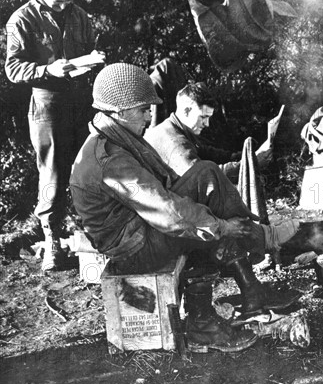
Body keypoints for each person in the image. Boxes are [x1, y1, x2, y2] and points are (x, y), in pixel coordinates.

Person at [69, 63, 300, 352]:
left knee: (207, 175)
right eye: (142, 109)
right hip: (134, 249)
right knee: (201, 221)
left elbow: (167, 192)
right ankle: (207, 318)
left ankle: (253, 283)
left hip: (139, 231)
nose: (149, 115)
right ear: (119, 111)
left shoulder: (116, 137)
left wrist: (212, 217)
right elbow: (167, 212)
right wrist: (221, 225)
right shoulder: (111, 160)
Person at [5, 0, 105, 271]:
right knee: (52, 173)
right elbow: (12, 68)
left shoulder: (79, 16)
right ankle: (51, 241)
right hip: (47, 103)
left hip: (80, 101)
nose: (64, 7)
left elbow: (90, 48)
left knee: (89, 166)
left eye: (69, 0)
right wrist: (48, 69)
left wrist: (94, 59)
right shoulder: (22, 19)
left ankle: (93, 235)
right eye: (57, 1)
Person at [144, 81, 272, 183]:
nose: (207, 124)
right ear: (187, 111)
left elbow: (204, 151)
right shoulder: (175, 141)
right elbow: (203, 178)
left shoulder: (177, 128)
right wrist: (250, 164)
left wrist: (237, 156)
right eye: (203, 117)